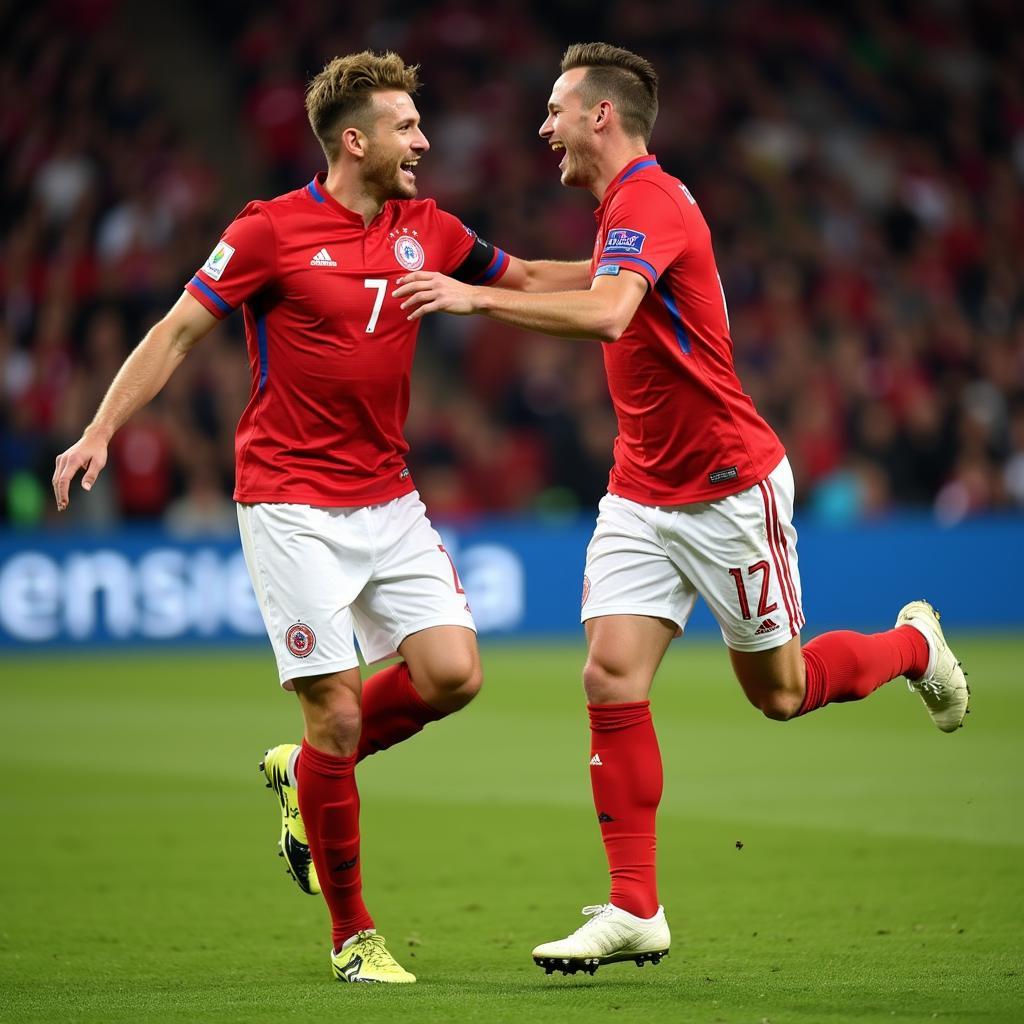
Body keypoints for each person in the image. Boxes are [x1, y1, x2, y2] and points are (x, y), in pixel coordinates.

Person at [394, 41, 971, 976]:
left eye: (556, 109)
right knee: (610, 677)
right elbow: (561, 279)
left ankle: (916, 648)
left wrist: (469, 301)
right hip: (641, 491)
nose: (543, 126)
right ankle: (636, 907)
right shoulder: (625, 210)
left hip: (726, 489)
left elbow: (611, 312)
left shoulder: (651, 202)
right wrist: (469, 260)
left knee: (779, 695)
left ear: (601, 117)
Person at [52, 50, 589, 984]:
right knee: (336, 716)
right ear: (355, 139)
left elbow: (532, 276)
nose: (423, 140)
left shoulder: (428, 227)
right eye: (406, 126)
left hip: (388, 494)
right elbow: (179, 328)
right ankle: (353, 937)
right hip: (290, 502)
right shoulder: (269, 232)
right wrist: (100, 429)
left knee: (454, 674)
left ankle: (303, 773)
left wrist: (638, 267)